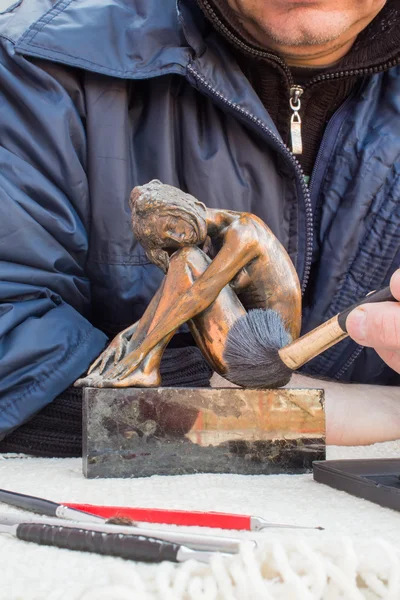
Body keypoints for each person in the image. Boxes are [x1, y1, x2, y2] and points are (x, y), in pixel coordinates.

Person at [0, 0, 399, 456]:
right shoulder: (33, 62)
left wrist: (140, 352)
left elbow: (197, 291)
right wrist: (335, 413)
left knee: (190, 265)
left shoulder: (240, 233)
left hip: (335, 477)